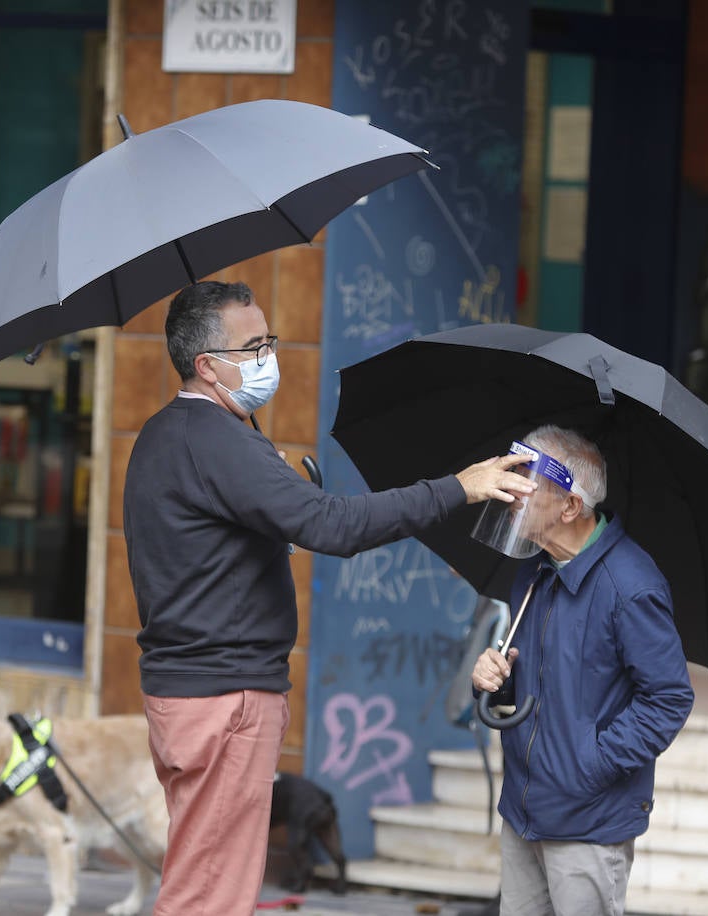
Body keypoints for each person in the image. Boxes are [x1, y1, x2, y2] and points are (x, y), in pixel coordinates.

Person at [123, 280, 537, 916]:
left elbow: (206, 555)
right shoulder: (217, 442)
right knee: (208, 892)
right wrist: (459, 487)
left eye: (270, 341)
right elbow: (335, 526)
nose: (268, 357)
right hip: (223, 698)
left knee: (202, 872)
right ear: (207, 365)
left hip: (186, 693)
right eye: (254, 346)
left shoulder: (164, 435)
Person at [470, 425, 695, 916]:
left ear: (571, 507)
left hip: (588, 821)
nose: (513, 494)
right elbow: (542, 684)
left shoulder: (631, 586)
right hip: (524, 807)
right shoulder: (534, 570)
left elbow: (670, 699)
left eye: (529, 482)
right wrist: (495, 680)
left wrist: (588, 766)